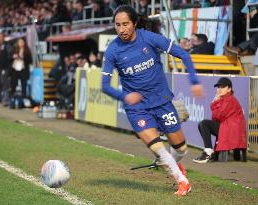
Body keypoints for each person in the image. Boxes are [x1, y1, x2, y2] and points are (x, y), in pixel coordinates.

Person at [101, 5, 204, 196]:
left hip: (162, 102)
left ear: (134, 23)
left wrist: (194, 82)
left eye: (125, 24)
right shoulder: (112, 51)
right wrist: (125, 96)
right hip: (137, 108)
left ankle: (175, 164)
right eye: (117, 25)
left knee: (180, 148)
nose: (121, 29)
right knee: (158, 148)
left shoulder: (149, 38)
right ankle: (182, 182)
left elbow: (183, 54)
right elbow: (105, 86)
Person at [193, 77, 247, 163]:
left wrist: (215, 101)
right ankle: (209, 151)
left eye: (222, 87)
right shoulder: (226, 99)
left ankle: (208, 152)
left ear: (229, 89)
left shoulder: (229, 99)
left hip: (231, 130)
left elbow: (218, 116)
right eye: (218, 87)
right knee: (203, 124)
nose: (219, 89)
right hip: (230, 128)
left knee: (204, 124)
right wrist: (216, 102)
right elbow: (216, 118)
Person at [0, 32, 12, 105]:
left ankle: (5, 98)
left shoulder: (7, 45)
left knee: (4, 83)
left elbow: (10, 56)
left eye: (1, 37)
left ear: (3, 37)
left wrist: (7, 66)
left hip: (4, 67)